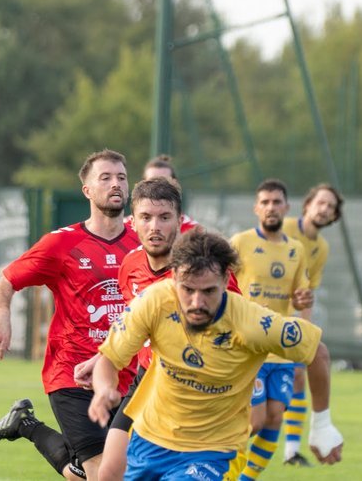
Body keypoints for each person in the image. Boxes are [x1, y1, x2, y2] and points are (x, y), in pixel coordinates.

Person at [87, 229, 344, 480]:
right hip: (148, 440)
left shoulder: (253, 323)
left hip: (212, 452)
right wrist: (103, 389)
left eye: (208, 291)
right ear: (174, 276)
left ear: (225, 280)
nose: (197, 303)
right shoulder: (154, 301)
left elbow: (317, 352)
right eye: (188, 290)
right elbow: (109, 358)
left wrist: (321, 423)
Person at [0, 149, 141, 480]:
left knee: (87, 474)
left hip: (128, 377)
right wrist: (1, 314)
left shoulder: (143, 243)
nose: (116, 184)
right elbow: (6, 282)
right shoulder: (61, 243)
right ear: (87, 190)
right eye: (105, 178)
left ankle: (25, 425)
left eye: (121, 177)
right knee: (104, 474)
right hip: (72, 374)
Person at [228, 178, 314, 480]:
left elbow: (301, 295)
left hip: (281, 347)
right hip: (248, 347)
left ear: (287, 208)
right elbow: (220, 284)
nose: (271, 207)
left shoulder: (296, 250)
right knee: (255, 421)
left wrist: (302, 301)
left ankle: (245, 479)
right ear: (256, 208)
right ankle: (218, 467)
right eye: (265, 202)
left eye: (277, 202)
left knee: (275, 417)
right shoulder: (240, 243)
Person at [279, 183, 344, 467]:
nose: (325, 209)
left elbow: (307, 293)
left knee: (298, 377)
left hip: (290, 322)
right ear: (307, 205)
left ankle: (291, 451)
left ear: (334, 216)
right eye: (321, 203)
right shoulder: (284, 228)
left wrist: (306, 332)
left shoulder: (322, 248)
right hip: (265, 318)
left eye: (331, 207)